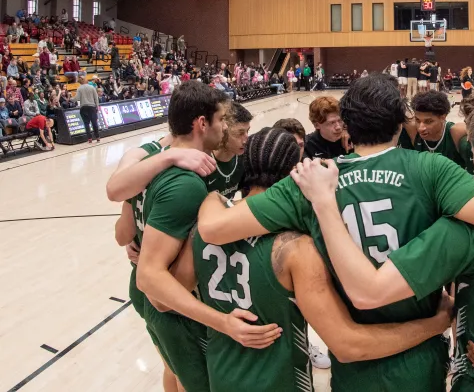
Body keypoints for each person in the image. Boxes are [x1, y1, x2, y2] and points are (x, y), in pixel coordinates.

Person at [195, 74, 474, 392]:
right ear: (401, 124)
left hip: (354, 357)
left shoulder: (312, 180)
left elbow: (214, 228)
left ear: (347, 128)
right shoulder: (431, 170)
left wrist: (209, 188)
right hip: (423, 355)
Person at [156, 127, 452, 391]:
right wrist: (435, 323)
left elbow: (163, 301)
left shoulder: (205, 225)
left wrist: (220, 321)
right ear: (293, 174)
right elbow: (349, 344)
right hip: (280, 381)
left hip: (221, 375)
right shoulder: (296, 248)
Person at [131, 83, 271, 392]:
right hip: (173, 308)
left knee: (177, 375)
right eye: (222, 120)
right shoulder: (186, 184)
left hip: (170, 302)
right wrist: (222, 322)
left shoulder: (178, 167)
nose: (225, 127)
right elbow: (149, 277)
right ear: (202, 123)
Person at [399, 90, 470, 170]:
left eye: (428, 121)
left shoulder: (454, 131)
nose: (421, 128)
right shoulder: (413, 129)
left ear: (443, 117)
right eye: (418, 120)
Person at [73, 78, 100, 143]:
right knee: (94, 122)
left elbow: (76, 98)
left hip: (83, 107)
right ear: (86, 81)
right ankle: (97, 137)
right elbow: (96, 97)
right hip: (92, 106)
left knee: (86, 123)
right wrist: (97, 106)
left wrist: (71, 99)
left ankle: (89, 138)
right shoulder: (92, 87)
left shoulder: (79, 88)